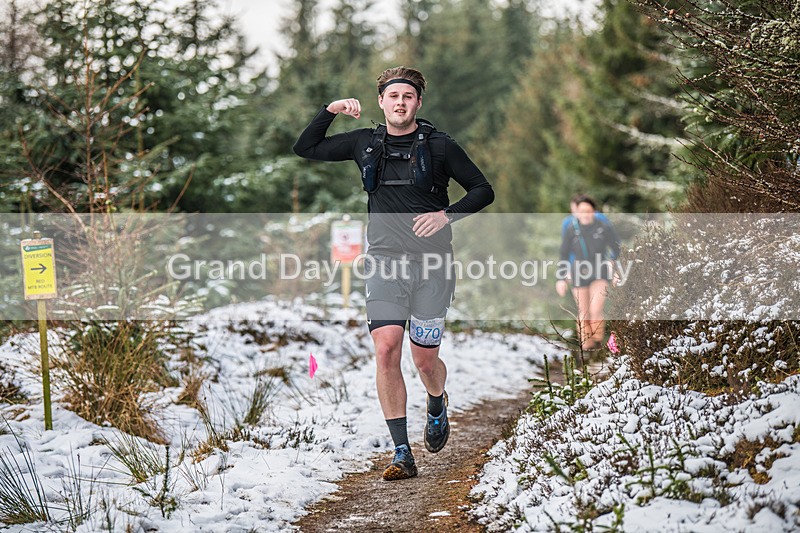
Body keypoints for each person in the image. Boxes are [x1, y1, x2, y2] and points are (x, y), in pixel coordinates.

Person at [293, 66, 494, 480]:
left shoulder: (440, 146)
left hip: (432, 266)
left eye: (408, 96)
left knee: (425, 362)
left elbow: (482, 189)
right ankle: (402, 451)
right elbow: (306, 147)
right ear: (382, 101)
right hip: (384, 262)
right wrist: (330, 109)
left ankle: (436, 401)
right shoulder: (365, 143)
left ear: (418, 102)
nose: (400, 102)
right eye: (392, 96)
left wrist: (447, 216)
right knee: (386, 349)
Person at [556, 194, 620, 351]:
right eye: (581, 210)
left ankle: (597, 347)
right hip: (578, 272)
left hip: (600, 271)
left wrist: (615, 267)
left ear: (593, 211)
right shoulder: (571, 229)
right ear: (576, 212)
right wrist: (561, 278)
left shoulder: (603, 226)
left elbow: (617, 248)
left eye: (588, 210)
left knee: (596, 310)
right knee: (583, 313)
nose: (584, 214)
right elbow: (564, 255)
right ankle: (587, 350)